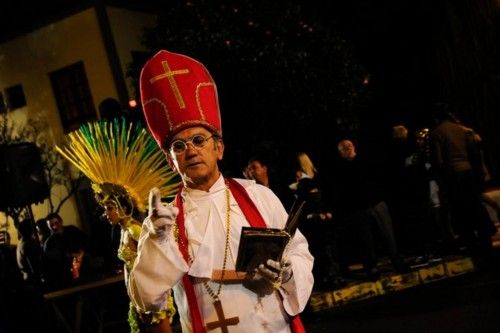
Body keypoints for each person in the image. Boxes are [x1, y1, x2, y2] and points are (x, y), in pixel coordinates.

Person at [127, 50, 314, 333]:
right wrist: (157, 243)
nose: (190, 150)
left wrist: (288, 272)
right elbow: (146, 300)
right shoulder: (164, 221)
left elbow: (299, 251)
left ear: (219, 148)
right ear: (170, 161)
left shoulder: (258, 196)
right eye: (178, 146)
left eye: (199, 140)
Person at [57, 119, 180, 333]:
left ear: (122, 207)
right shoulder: (123, 230)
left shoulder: (134, 229)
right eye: (105, 209)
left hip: (151, 296)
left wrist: (150, 294)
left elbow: (155, 261)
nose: (106, 214)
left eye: (109, 208)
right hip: (137, 295)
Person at [332, 138, 408, 280]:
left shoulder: (365, 161)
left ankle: (397, 261)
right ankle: (371, 268)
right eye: (344, 147)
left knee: (388, 234)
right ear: (340, 152)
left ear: (354, 147)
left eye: (349, 145)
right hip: (359, 208)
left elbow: (378, 177)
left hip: (376, 202)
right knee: (366, 240)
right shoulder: (340, 169)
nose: (347, 148)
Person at [430, 104, 496, 258]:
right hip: (469, 172)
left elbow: (438, 162)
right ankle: (486, 241)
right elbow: (474, 153)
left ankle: (472, 246)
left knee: (461, 212)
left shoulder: (437, 134)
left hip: (453, 175)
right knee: (476, 207)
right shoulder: (462, 130)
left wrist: (441, 181)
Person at [43, 212, 89, 288]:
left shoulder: (72, 230)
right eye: (51, 225)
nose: (54, 227)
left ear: (61, 221)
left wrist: (82, 252)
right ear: (48, 227)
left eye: (56, 223)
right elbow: (53, 260)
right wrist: (72, 255)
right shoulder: (49, 243)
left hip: (84, 268)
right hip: (66, 275)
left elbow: (85, 240)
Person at [16, 218, 45, 289]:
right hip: (34, 281)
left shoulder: (21, 242)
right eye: (33, 227)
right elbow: (34, 266)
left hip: (28, 278)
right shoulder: (28, 244)